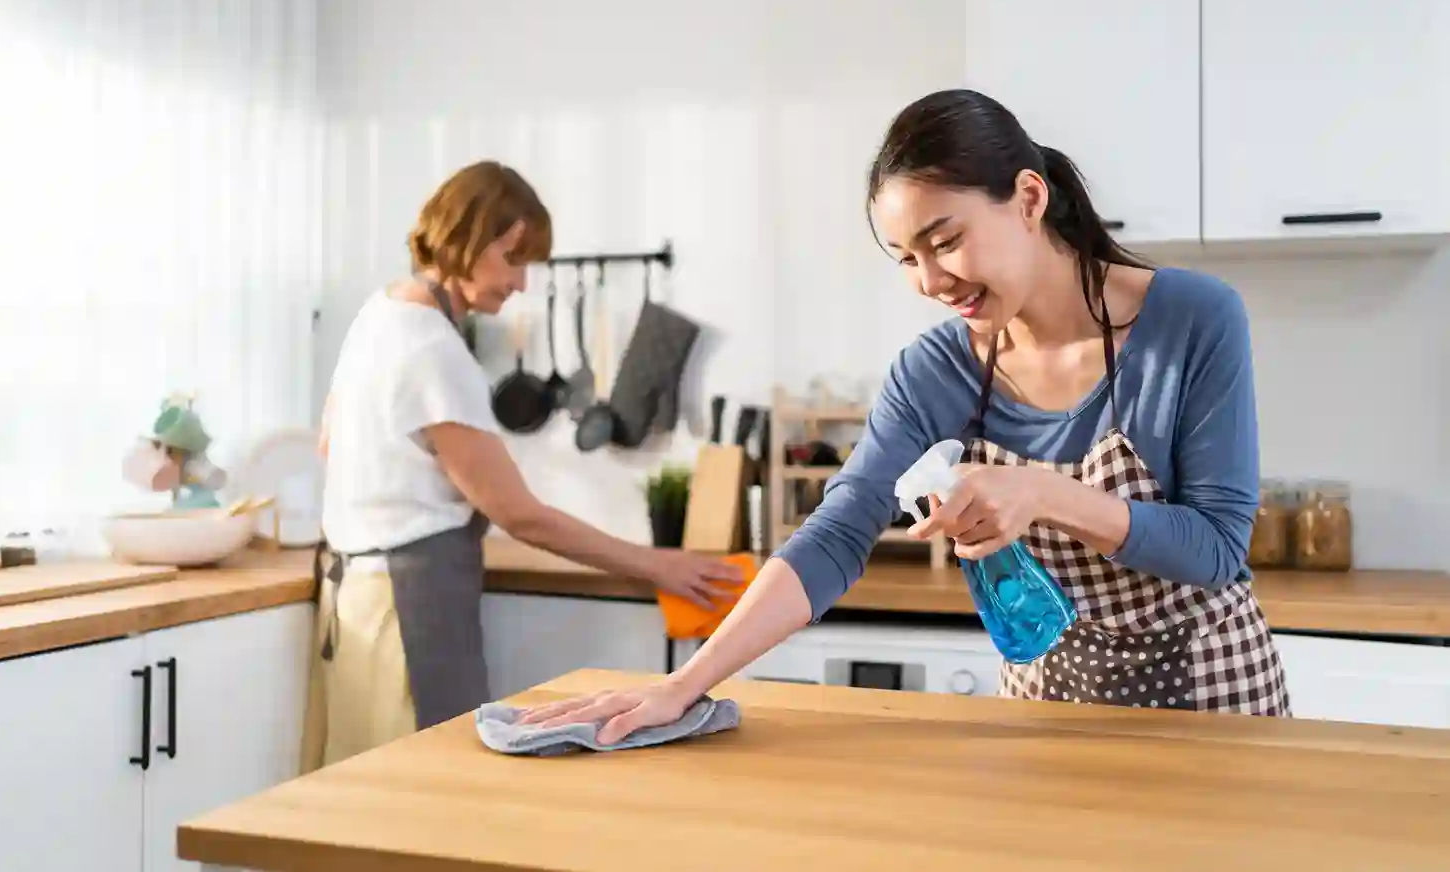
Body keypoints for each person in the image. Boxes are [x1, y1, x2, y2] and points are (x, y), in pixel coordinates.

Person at [518, 88, 1290, 742]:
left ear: (1028, 198)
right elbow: (839, 529)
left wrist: (1046, 496)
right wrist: (683, 684)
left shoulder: (1193, 319)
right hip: (1051, 712)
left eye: (944, 241)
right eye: (907, 259)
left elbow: (1219, 548)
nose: (930, 281)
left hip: (1212, 703)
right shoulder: (936, 371)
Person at [301, 160, 742, 769]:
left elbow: (330, 440)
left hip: (355, 596)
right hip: (407, 606)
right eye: (512, 259)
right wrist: (655, 564)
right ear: (465, 237)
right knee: (419, 797)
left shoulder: (378, 316)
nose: (522, 284)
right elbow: (519, 516)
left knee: (360, 795)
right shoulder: (431, 346)